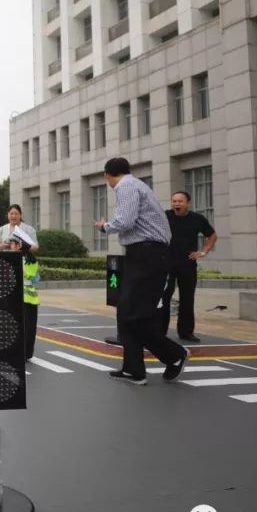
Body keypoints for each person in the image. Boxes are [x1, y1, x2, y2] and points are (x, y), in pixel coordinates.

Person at [94, 157, 187, 385]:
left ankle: (174, 355)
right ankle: (134, 369)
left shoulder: (125, 186)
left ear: (107, 175)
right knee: (128, 313)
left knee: (132, 314)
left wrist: (105, 227)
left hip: (148, 254)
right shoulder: (138, 184)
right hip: (146, 254)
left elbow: (125, 221)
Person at [160, 191, 217, 343]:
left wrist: (203, 252)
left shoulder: (197, 219)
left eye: (180, 201)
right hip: (167, 264)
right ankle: (160, 331)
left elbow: (212, 235)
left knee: (187, 299)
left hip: (188, 264)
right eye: (174, 201)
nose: (176, 204)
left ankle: (186, 332)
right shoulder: (165, 216)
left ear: (188, 203)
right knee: (164, 298)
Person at [0, 204, 41, 360]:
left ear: (21, 215)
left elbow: (36, 248)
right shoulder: (2, 229)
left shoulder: (28, 229)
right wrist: (6, 245)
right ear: (7, 215)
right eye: (11, 213)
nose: (13, 216)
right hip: (6, 269)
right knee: (8, 312)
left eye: (16, 213)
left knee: (26, 316)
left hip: (24, 268)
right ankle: (9, 345)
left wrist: (24, 246)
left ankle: (26, 350)